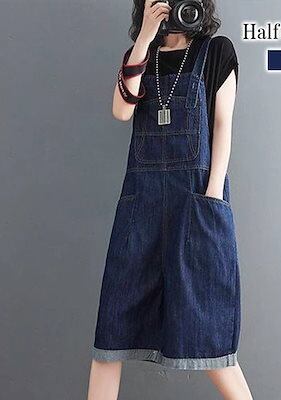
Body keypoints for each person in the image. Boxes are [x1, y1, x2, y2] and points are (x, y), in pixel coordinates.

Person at [87, 1, 253, 399]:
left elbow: (223, 124)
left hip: (194, 203)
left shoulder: (216, 51)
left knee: (208, 329)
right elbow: (121, 111)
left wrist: (212, 195)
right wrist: (144, 38)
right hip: (140, 207)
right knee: (112, 331)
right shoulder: (140, 56)